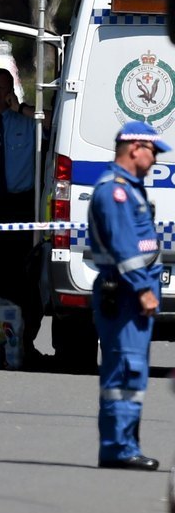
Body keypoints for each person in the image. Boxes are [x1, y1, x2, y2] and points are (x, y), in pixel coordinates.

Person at [89, 121, 168, 471]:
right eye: (153, 151)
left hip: (131, 297)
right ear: (135, 148)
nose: (154, 159)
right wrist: (143, 291)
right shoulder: (115, 192)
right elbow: (125, 250)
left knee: (131, 375)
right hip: (124, 296)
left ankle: (125, 444)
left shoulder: (130, 189)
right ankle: (119, 448)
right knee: (125, 372)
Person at [0, 67, 44, 367]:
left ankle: (26, 343)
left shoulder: (26, 121)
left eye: (1, 88)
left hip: (21, 206)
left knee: (24, 279)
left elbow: (50, 123)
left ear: (11, 90)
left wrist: (19, 107)